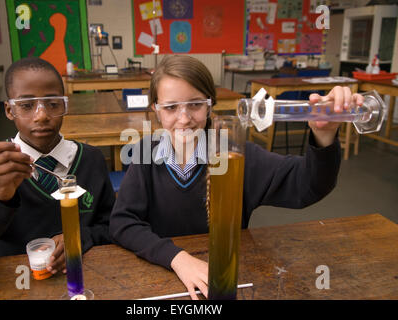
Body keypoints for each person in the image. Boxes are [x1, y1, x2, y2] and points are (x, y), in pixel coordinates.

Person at [109, 55, 363, 299]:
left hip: (227, 281)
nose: (184, 118)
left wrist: (325, 134)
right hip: (160, 279)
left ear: (210, 105)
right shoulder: (145, 156)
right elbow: (122, 222)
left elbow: (308, 185)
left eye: (195, 104)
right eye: (171, 107)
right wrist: (177, 258)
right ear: (156, 109)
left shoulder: (237, 156)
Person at [0, 57, 115, 273]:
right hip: (19, 284)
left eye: (53, 103)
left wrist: (81, 237)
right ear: (9, 110)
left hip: (85, 277)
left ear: (64, 105)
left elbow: (114, 225)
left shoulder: (91, 159)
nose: (42, 115)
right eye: (26, 106)